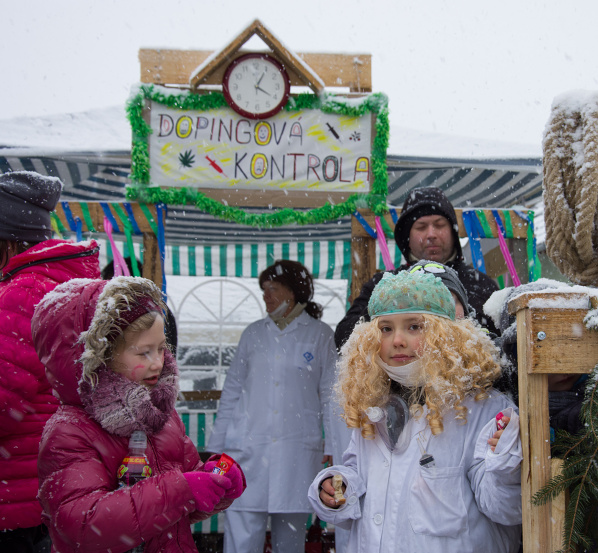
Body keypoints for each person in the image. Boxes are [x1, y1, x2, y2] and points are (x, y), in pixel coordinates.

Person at [309, 270, 522, 553]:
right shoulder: (372, 404)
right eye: (386, 328)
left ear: (444, 335)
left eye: (414, 326)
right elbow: (358, 475)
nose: (397, 340)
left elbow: (507, 510)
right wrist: (338, 487)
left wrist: (505, 465)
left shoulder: (482, 408)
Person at [31, 276, 246, 552]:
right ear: (101, 358)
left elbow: (183, 501)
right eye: (144, 353)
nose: (158, 363)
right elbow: (82, 526)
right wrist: (182, 490)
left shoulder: (162, 416)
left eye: (161, 349)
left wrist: (214, 482)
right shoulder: (70, 432)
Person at [0, 171, 100, 552]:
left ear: (8, 241)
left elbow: (3, 402)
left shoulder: (22, 294)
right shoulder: (64, 287)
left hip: (14, 495)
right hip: (51, 487)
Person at [207, 260, 337, 553]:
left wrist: (333, 443)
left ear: (293, 292)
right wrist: (216, 447)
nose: (266, 296)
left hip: (296, 451)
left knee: (289, 539)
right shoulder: (253, 334)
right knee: (241, 538)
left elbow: (330, 394)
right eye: (264, 290)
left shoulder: (319, 335)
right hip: (248, 448)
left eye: (273, 289)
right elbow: (232, 391)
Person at [334, 186, 499, 349]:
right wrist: (383, 306)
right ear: (407, 237)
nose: (431, 234)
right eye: (421, 227)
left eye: (440, 225)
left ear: (452, 232)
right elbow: (344, 337)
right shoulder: (383, 283)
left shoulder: (481, 283)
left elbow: (498, 343)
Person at [484, 279, 589, 437]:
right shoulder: (501, 403)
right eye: (545, 352)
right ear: (517, 358)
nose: (564, 366)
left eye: (573, 347)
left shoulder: (591, 400)